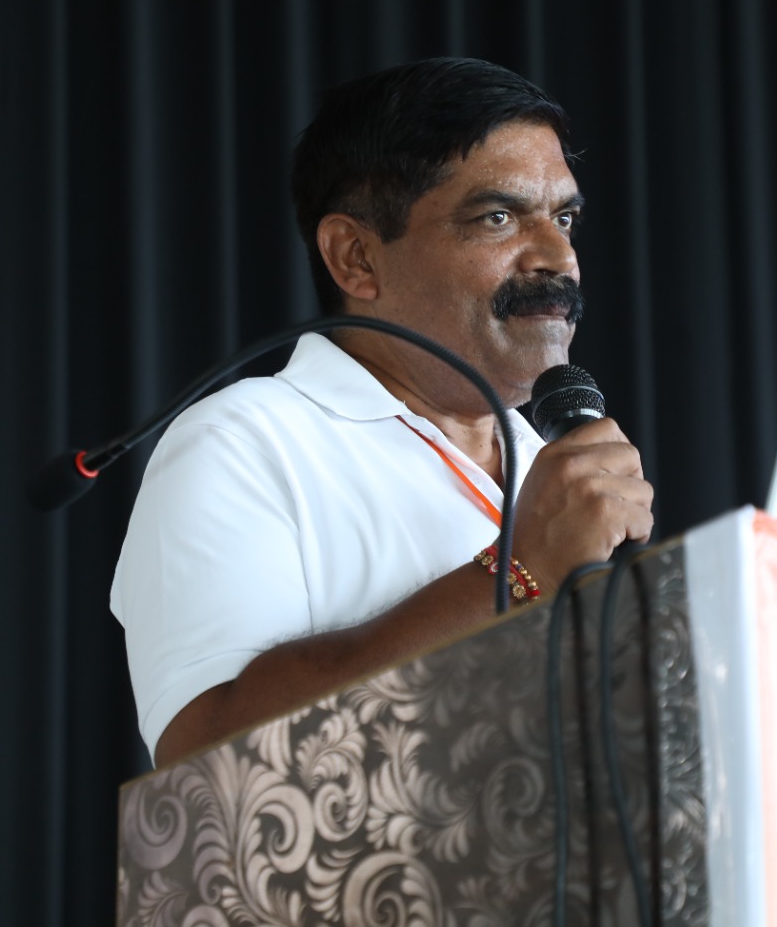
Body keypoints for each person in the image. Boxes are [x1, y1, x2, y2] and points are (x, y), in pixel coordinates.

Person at [111, 57, 654, 768]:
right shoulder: (243, 443)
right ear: (356, 258)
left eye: (564, 218)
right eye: (498, 217)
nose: (559, 257)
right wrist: (518, 572)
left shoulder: (550, 468)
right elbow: (205, 764)